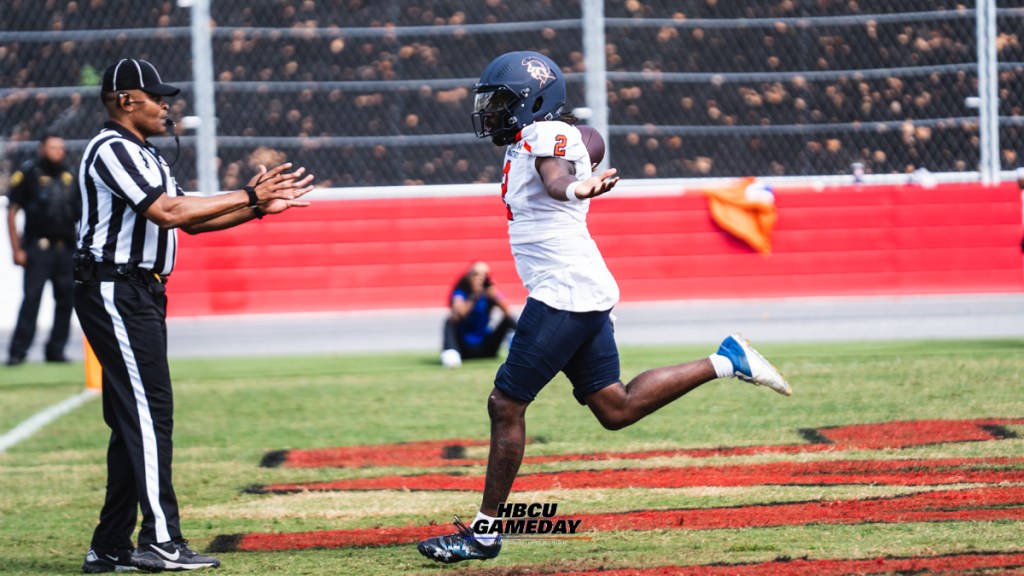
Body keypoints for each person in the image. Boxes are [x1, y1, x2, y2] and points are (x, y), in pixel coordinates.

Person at [417, 51, 792, 564]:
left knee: (506, 404)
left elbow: (556, 179)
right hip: (579, 290)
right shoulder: (536, 137)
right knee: (615, 409)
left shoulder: (548, 137)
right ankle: (726, 360)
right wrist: (580, 171)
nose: (493, 113)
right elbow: (565, 159)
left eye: (503, 102)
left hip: (564, 293)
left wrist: (577, 184)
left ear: (534, 102)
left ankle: (484, 533)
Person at [76, 58, 314, 574]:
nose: (167, 105)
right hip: (116, 288)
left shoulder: (143, 154)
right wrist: (250, 194)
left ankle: (111, 544)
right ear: (125, 100)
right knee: (148, 413)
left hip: (137, 291)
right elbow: (168, 213)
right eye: (157, 96)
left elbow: (195, 221)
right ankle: (161, 541)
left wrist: (255, 209)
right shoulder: (111, 148)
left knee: (131, 419)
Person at [5, 134, 78, 366]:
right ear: (42, 149)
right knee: (32, 299)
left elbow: (80, 213)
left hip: (66, 248)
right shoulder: (29, 174)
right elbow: (12, 212)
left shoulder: (69, 175)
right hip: (38, 248)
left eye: (61, 147)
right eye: (53, 147)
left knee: (66, 300)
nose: (58, 152)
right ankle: (18, 351)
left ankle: (56, 350)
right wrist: (16, 249)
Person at [440, 261, 517, 368]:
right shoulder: (461, 292)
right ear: (469, 276)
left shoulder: (491, 292)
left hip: (486, 347)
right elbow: (459, 313)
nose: (480, 278)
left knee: (508, 320)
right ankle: (451, 355)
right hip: (464, 348)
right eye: (476, 274)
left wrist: (495, 296)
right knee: (450, 320)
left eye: (484, 275)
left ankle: (523, 349)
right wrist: (475, 296)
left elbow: (508, 312)